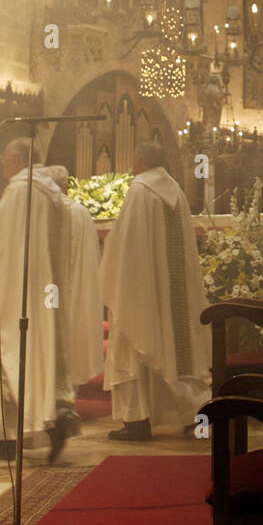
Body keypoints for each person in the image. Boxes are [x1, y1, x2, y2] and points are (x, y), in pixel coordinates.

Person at [0, 139, 75, 461]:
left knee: (7, 352)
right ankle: (50, 419)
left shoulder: (20, 190)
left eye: (4, 160)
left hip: (19, 291)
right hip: (47, 293)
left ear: (16, 160)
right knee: (40, 357)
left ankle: (9, 436)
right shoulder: (53, 194)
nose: (3, 166)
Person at [101, 141, 210, 440]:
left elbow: (127, 241)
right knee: (173, 349)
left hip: (140, 288)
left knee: (136, 345)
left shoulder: (140, 189)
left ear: (140, 160)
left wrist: (111, 252)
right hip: (172, 289)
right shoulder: (175, 190)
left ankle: (136, 421)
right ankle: (195, 411)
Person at [46, 167, 104, 398]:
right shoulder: (80, 213)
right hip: (73, 288)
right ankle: (68, 392)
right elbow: (91, 259)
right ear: (66, 186)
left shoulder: (39, 211)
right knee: (71, 331)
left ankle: (49, 392)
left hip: (48, 289)